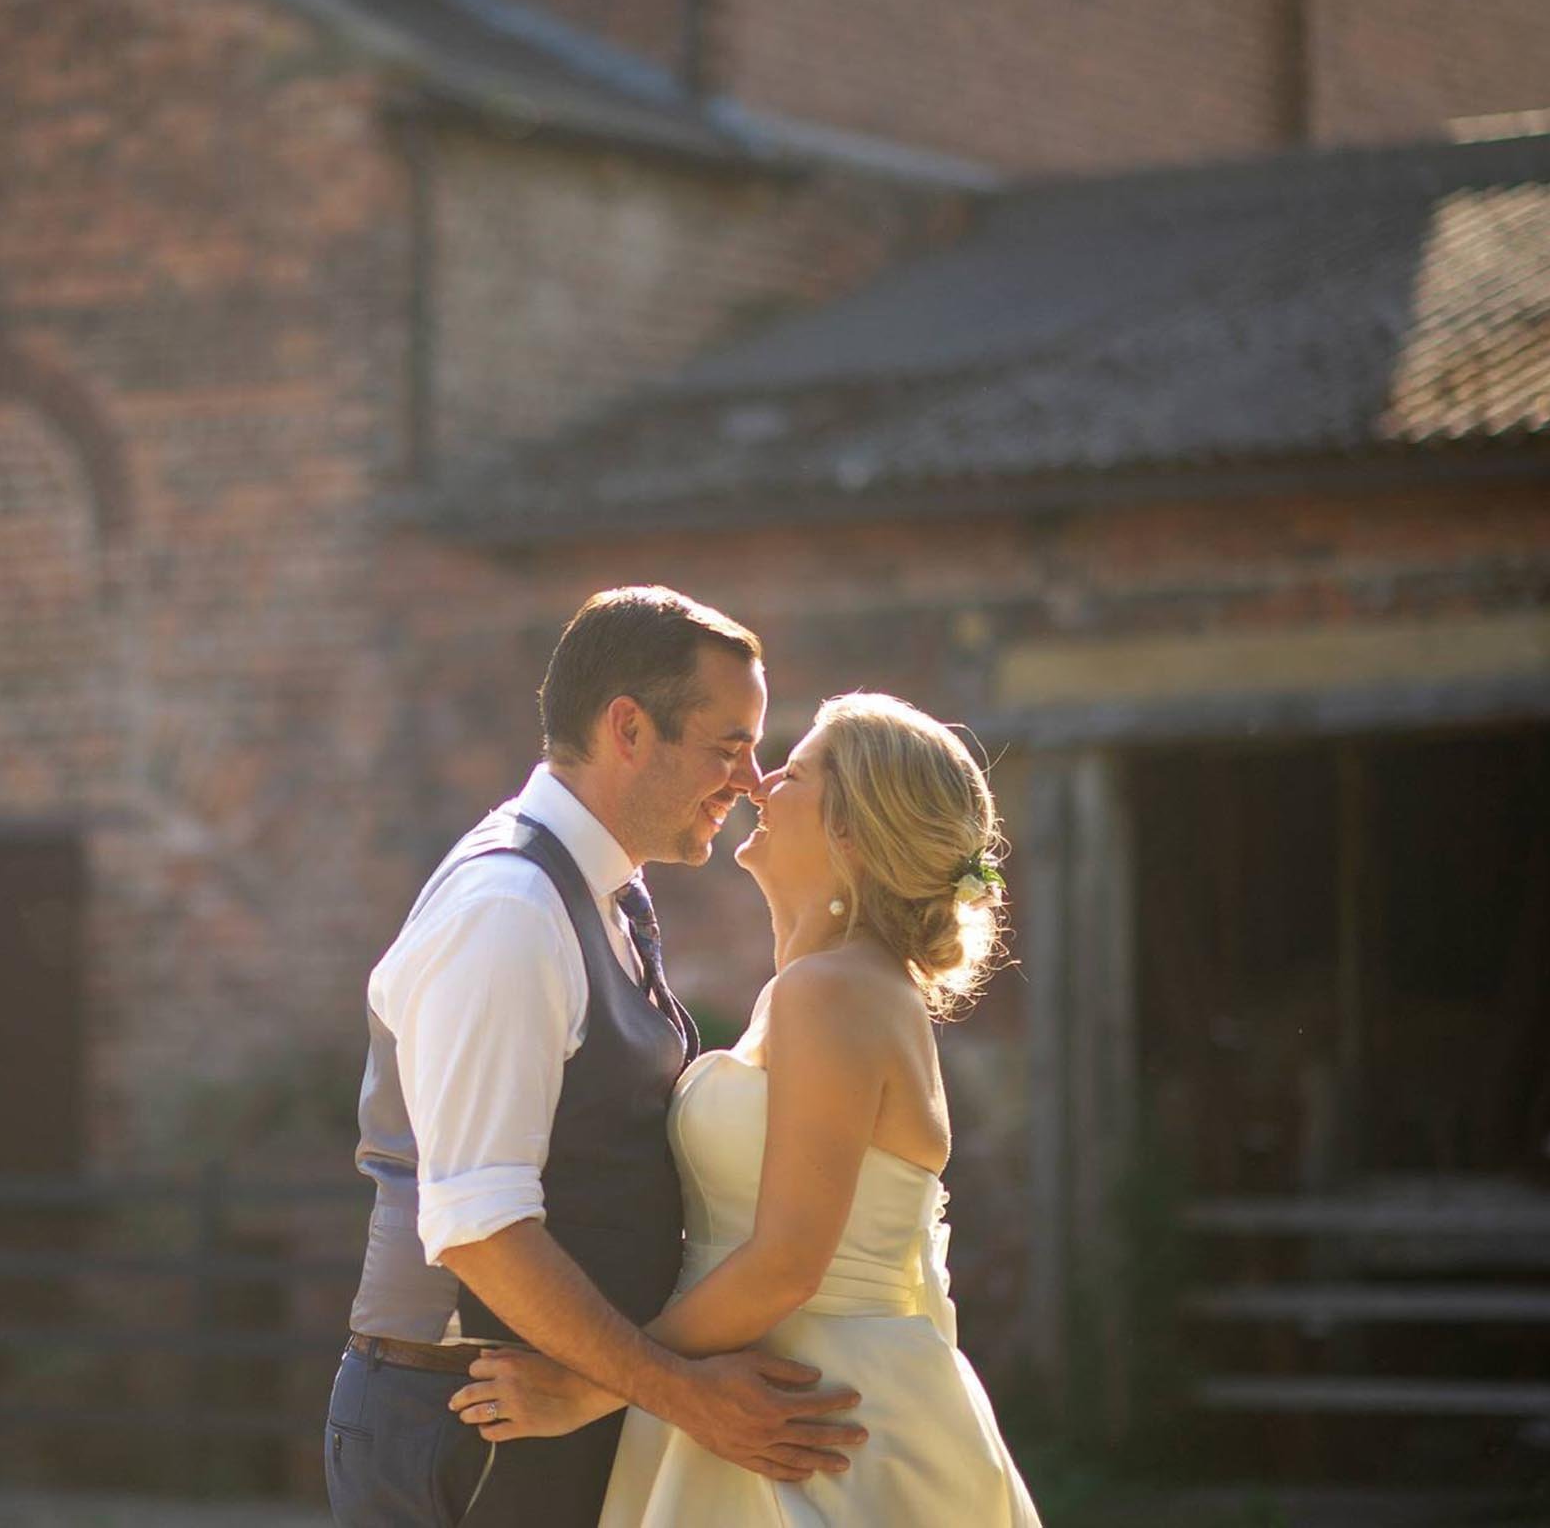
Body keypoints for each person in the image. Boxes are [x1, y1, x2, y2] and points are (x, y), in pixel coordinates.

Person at [325, 588, 868, 1528]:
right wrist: (685, 1391)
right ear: (628, 727)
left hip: (542, 1408)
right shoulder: (509, 909)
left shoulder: (607, 895)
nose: (749, 781)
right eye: (727, 743)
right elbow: (479, 1226)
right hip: (473, 1419)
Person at [449, 691, 1043, 1526]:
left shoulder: (830, 993)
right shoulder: (830, 988)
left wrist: (592, 1389)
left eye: (794, 771)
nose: (759, 784)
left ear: (849, 829)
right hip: (770, 1394)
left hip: (807, 1422)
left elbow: (787, 1263)